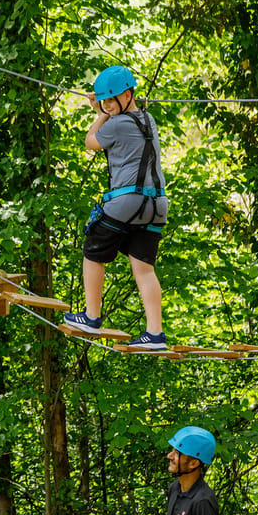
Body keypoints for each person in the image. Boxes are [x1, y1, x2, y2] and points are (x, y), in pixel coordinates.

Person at [63, 65, 169, 349]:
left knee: (93, 249)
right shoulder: (149, 119)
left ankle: (91, 316)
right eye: (103, 101)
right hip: (156, 204)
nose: (107, 106)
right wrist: (104, 110)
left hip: (127, 200)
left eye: (111, 100)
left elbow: (90, 142)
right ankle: (155, 334)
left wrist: (98, 117)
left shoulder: (116, 124)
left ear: (127, 94)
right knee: (144, 267)